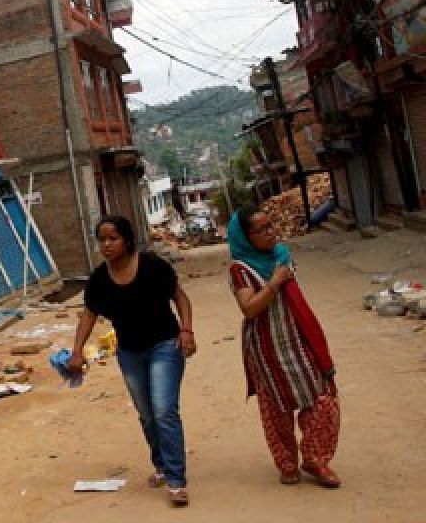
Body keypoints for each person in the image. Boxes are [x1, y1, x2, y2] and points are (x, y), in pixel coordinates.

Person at [68, 215, 196, 507]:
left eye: (113, 238)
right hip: (130, 352)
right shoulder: (99, 279)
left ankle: (177, 480)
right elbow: (88, 314)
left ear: (127, 240)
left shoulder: (152, 267)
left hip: (165, 345)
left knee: (164, 410)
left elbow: (181, 298)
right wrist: (77, 351)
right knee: (147, 414)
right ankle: (162, 465)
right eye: (102, 239)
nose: (107, 245)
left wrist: (187, 330)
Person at [227, 204, 340, 488]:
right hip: (266, 348)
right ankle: (287, 464)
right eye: (261, 230)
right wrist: (275, 282)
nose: (271, 233)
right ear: (245, 237)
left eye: (271, 226)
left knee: (321, 399)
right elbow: (249, 308)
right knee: (276, 410)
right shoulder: (240, 269)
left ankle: (316, 459)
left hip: (297, 341)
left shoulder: (281, 256)